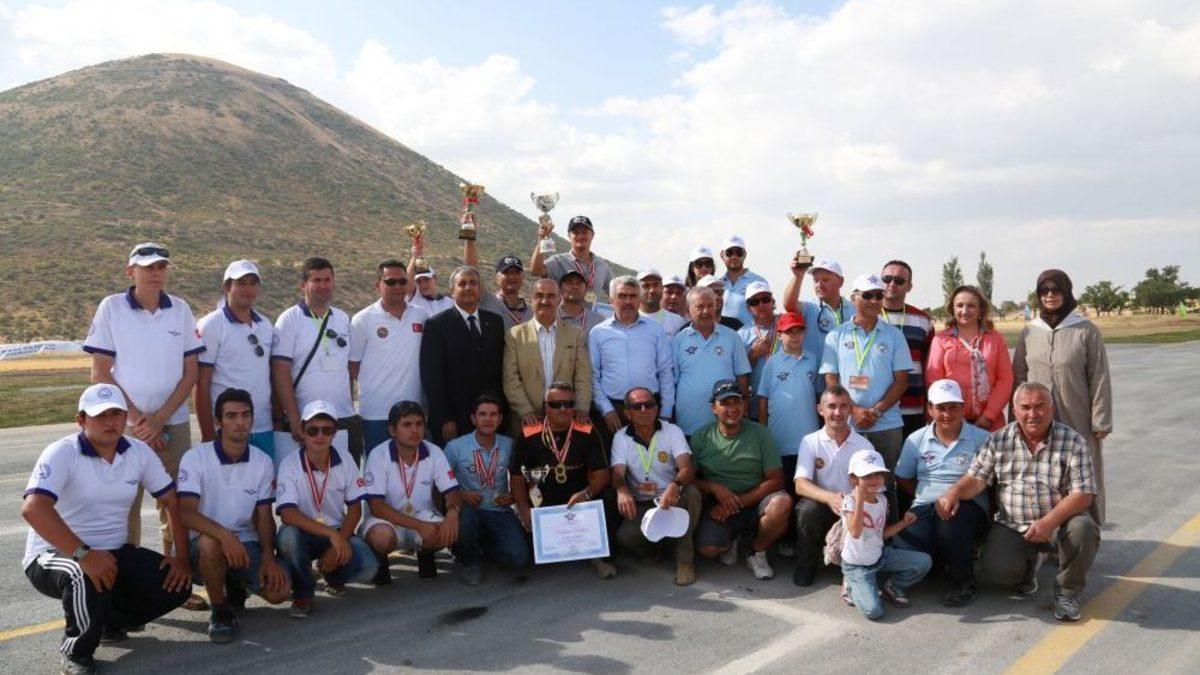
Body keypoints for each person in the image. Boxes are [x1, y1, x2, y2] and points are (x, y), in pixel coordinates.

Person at [22, 384, 190, 674]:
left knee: (177, 584)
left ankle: (107, 622)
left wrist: (181, 558)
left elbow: (171, 501)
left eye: (116, 414)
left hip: (111, 551)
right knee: (83, 574)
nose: (110, 422)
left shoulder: (138, 452)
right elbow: (34, 509)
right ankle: (76, 652)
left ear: (125, 417)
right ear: (81, 420)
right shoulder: (62, 452)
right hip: (53, 554)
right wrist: (84, 554)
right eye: (100, 415)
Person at [82, 242, 203, 605]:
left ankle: (175, 584)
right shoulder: (112, 308)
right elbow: (100, 373)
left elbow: (191, 372)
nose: (156, 273)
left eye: (161, 266)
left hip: (172, 425)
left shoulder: (180, 309)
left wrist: (160, 419)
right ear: (130, 271)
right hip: (124, 428)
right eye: (148, 267)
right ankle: (124, 589)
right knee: (122, 508)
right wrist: (138, 421)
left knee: (174, 505)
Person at [936, 382, 1100, 621]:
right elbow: (976, 479)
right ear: (1014, 411)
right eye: (1025, 407)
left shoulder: (1073, 442)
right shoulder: (998, 440)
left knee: (1084, 529)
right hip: (1012, 524)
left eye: (1040, 406)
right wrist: (954, 492)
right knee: (998, 571)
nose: (1033, 414)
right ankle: (1029, 568)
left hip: (1058, 523)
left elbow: (1083, 494)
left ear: (1052, 409)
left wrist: (1048, 523)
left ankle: (1067, 593)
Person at [178, 388, 291, 643]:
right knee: (211, 544)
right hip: (204, 544)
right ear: (218, 421)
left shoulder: (262, 461)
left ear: (252, 419)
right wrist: (225, 537)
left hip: (244, 544)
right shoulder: (195, 458)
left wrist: (268, 557)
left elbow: (264, 516)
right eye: (231, 416)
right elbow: (185, 513)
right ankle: (220, 612)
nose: (240, 422)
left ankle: (234, 583)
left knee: (280, 593)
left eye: (245, 415)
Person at [1013, 269, 1112, 525]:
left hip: (1077, 414)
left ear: (1066, 293)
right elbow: (1019, 376)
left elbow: (1099, 376)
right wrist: (1017, 417)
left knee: (1082, 470)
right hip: (1037, 417)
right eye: (1044, 291)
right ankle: (1043, 529)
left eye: (1056, 290)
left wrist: (1100, 419)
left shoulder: (1086, 330)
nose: (1050, 295)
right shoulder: (1029, 332)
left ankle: (1086, 531)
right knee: (1043, 470)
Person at [819, 273, 913, 516]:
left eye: (879, 295)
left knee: (885, 485)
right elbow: (831, 380)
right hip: (848, 424)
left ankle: (888, 534)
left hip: (887, 424)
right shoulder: (836, 335)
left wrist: (876, 411)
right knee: (848, 483)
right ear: (853, 298)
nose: (874, 300)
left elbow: (902, 381)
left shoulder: (894, 335)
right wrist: (854, 411)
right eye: (868, 295)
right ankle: (850, 534)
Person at [275, 400, 378, 618]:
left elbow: (355, 509)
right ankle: (303, 593)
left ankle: (333, 575)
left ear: (335, 433)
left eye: (327, 430)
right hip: (303, 533)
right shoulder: (289, 464)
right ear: (303, 432)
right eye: (313, 430)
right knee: (287, 537)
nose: (320, 436)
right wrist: (333, 536)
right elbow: (287, 514)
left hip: (336, 530)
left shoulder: (346, 460)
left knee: (369, 566)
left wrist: (339, 538)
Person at [893, 380, 991, 606]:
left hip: (968, 503)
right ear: (930, 409)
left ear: (963, 408)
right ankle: (941, 562)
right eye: (941, 408)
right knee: (905, 541)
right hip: (925, 504)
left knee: (950, 524)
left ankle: (962, 583)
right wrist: (923, 496)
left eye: (953, 407)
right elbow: (902, 477)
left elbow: (986, 479)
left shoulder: (981, 438)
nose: (947, 414)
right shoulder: (916, 439)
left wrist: (955, 495)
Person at [509, 382, 619, 579]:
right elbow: (517, 478)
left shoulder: (587, 432)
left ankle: (600, 555)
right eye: (556, 404)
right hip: (542, 504)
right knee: (520, 555)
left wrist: (587, 493)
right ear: (545, 407)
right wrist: (524, 510)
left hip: (579, 502)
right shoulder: (528, 435)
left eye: (568, 404)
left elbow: (603, 473)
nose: (562, 409)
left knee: (610, 495)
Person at [691, 380, 792, 580]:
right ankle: (732, 539)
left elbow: (776, 480)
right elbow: (689, 479)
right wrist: (713, 487)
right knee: (709, 549)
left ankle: (757, 552)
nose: (732, 409)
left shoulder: (760, 433)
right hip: (718, 504)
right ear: (714, 408)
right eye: (725, 403)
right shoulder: (701, 436)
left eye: (737, 402)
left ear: (745, 405)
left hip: (755, 500)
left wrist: (736, 504)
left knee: (782, 503)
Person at [361, 401, 462, 582]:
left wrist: (453, 513)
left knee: (446, 531)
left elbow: (452, 492)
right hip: (386, 519)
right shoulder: (378, 455)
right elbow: (377, 507)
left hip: (421, 514)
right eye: (407, 425)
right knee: (381, 538)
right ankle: (380, 560)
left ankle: (425, 553)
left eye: (419, 424)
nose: (414, 430)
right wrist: (419, 526)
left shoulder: (434, 451)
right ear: (392, 430)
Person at [611, 387, 702, 586]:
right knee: (625, 537)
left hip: (672, 498)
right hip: (643, 504)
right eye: (637, 406)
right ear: (627, 413)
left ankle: (685, 562)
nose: (644, 410)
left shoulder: (672, 431)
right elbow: (617, 474)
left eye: (649, 404)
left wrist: (675, 485)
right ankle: (653, 551)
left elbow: (687, 468)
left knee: (692, 493)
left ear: (657, 408)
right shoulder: (620, 437)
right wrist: (621, 489)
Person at [271, 257, 354, 463]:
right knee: (302, 477)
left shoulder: (342, 318)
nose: (323, 286)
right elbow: (280, 372)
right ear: (303, 285)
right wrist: (293, 417)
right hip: (305, 420)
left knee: (340, 477)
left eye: (327, 280)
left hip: (341, 418)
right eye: (316, 280)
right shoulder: (289, 319)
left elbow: (347, 369)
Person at [791, 386, 876, 586]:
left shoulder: (864, 446)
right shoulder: (810, 441)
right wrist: (830, 498)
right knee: (808, 510)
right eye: (831, 406)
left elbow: (873, 487)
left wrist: (853, 504)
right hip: (823, 505)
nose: (837, 412)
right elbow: (800, 484)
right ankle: (806, 564)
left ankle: (856, 564)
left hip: (853, 508)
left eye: (843, 406)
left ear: (850, 409)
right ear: (820, 409)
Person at [443, 396, 531, 585]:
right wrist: (461, 493)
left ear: (500, 419)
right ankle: (470, 562)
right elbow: (440, 482)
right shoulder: (455, 447)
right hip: (468, 509)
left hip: (499, 510)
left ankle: (484, 549)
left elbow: (520, 477)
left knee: (519, 558)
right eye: (482, 414)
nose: (488, 419)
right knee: (465, 520)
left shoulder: (509, 444)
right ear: (473, 419)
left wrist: (513, 496)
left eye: (493, 414)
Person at [197, 260, 276, 458]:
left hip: (263, 427)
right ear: (227, 287)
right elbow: (201, 383)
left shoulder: (266, 325)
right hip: (225, 429)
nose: (248, 289)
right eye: (241, 283)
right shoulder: (211, 324)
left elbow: (270, 376)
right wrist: (207, 433)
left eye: (252, 283)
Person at [419, 266, 507, 445]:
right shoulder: (436, 325)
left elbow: (500, 368)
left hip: (491, 417)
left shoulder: (495, 322)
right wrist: (445, 418)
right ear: (452, 291)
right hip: (454, 419)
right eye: (462, 284)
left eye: (473, 283)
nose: (468, 287)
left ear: (480, 289)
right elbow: (432, 377)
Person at [839, 449, 930, 620]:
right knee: (873, 611)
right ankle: (851, 582)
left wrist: (904, 523)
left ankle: (891, 587)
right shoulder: (849, 502)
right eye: (867, 476)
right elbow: (855, 532)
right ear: (854, 479)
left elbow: (880, 534)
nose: (874, 480)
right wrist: (860, 500)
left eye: (878, 474)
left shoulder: (882, 499)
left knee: (924, 561)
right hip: (857, 565)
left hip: (880, 556)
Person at [350, 259, 429, 454]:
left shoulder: (421, 316)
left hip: (413, 412)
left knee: (411, 468)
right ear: (378, 285)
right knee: (377, 467)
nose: (398, 287)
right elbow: (352, 367)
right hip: (376, 413)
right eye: (391, 282)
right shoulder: (362, 319)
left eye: (402, 281)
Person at [756, 312, 821, 543]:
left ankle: (801, 541)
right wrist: (762, 434)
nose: (794, 336)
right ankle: (784, 540)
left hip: (808, 439)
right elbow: (762, 399)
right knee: (783, 491)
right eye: (789, 331)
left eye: (799, 330)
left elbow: (820, 396)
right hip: (779, 439)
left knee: (805, 491)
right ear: (780, 334)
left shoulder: (814, 359)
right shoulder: (772, 363)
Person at [503, 278, 592, 434]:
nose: (545, 301)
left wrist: (582, 408)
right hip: (529, 418)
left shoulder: (575, 334)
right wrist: (525, 410)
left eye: (551, 296)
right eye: (539, 296)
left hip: (566, 415)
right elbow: (510, 378)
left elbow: (583, 376)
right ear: (531, 299)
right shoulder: (514, 335)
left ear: (559, 299)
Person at [589, 276, 675, 435]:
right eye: (622, 296)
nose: (628, 301)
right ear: (611, 300)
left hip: (648, 409)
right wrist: (606, 409)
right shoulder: (598, 333)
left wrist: (666, 411)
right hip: (613, 410)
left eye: (633, 296)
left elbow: (665, 371)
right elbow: (593, 375)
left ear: (640, 299)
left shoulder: (656, 330)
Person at [926, 285, 1013, 432]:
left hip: (991, 423)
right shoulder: (941, 339)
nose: (964, 311)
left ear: (981, 310)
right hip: (952, 422)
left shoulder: (995, 339)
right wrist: (956, 418)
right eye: (959, 305)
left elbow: (1005, 380)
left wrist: (988, 417)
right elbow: (934, 380)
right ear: (952, 309)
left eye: (971, 306)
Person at [672, 286, 752, 436]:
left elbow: (742, 377)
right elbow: (673, 381)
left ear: (716, 307)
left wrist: (745, 408)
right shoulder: (679, 340)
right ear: (689, 310)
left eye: (710, 306)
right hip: (689, 421)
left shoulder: (732, 337)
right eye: (700, 306)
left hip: (726, 422)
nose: (706, 311)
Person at [879, 260, 936, 438]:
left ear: (909, 287)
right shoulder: (867, 316)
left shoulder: (923, 320)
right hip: (876, 408)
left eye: (899, 280)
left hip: (912, 408)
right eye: (887, 279)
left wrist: (930, 403)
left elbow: (929, 367)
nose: (891, 284)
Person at [782, 258, 856, 385]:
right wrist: (798, 277)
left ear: (841, 281)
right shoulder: (810, 307)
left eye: (825, 280)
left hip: (847, 383)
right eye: (816, 280)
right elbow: (789, 305)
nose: (819, 285)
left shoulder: (855, 310)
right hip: (813, 384)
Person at [531, 214, 614, 303]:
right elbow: (535, 271)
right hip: (562, 312)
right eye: (576, 232)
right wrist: (542, 239)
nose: (580, 236)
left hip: (591, 312)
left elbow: (614, 292)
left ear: (592, 235)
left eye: (584, 232)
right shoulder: (558, 261)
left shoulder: (601, 266)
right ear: (569, 236)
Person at [738, 281, 780, 421]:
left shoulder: (787, 324)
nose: (761, 305)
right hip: (757, 401)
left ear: (772, 301)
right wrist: (752, 356)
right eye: (754, 302)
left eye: (765, 299)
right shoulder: (741, 334)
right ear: (748, 308)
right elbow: (738, 373)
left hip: (787, 398)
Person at [717, 235, 769, 327]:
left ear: (745, 255)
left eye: (739, 252)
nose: (734, 256)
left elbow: (766, 314)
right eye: (730, 252)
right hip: (722, 335)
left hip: (750, 335)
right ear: (722, 255)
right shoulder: (717, 284)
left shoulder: (759, 281)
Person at [478, 255, 534, 330]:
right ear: (497, 278)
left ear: (523, 277)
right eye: (506, 273)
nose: (512, 277)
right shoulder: (488, 303)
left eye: (516, 272)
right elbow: (472, 269)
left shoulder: (531, 312)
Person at [557, 269, 608, 336]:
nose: (575, 287)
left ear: (586, 290)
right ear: (560, 289)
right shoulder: (549, 315)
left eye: (579, 283)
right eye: (569, 283)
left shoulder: (598, 321)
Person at [638, 267, 687, 337]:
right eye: (646, 286)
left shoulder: (678, 322)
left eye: (655, 285)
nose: (652, 290)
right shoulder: (629, 318)